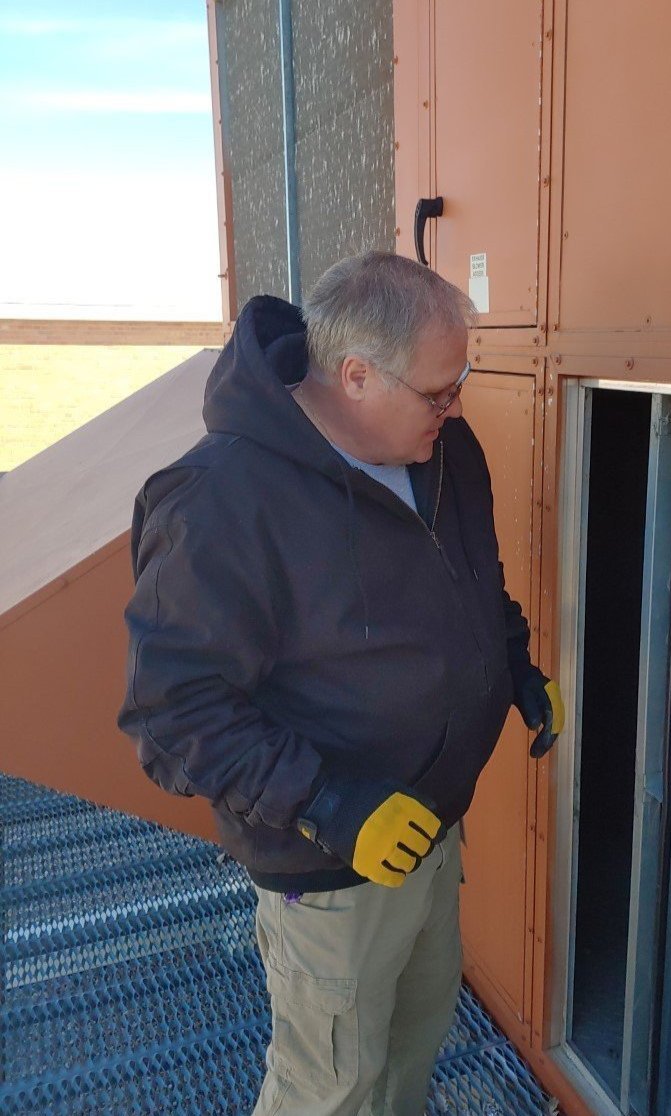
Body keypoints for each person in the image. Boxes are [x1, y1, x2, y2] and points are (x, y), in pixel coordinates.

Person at [118, 251, 564, 1116]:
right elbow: (172, 714)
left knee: (413, 1047)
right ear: (355, 375)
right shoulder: (218, 501)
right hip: (328, 866)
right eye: (440, 391)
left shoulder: (446, 452)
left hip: (433, 831)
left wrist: (516, 669)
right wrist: (332, 804)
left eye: (461, 381)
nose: (457, 407)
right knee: (329, 1087)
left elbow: (476, 583)